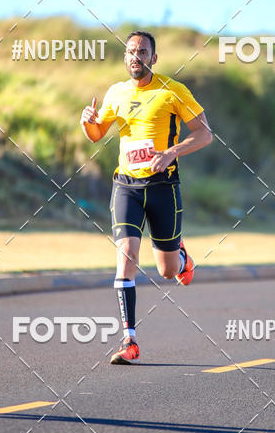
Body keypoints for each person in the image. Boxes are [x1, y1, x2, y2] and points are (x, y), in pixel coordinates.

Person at [80, 30, 212, 364]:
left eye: (142, 52)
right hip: (126, 185)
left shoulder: (173, 90)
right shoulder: (116, 92)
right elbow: (97, 134)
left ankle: (181, 256)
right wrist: (87, 123)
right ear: (125, 57)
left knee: (167, 271)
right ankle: (130, 341)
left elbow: (204, 134)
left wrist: (171, 152)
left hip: (163, 186)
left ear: (154, 58)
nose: (135, 57)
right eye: (130, 51)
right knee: (126, 255)